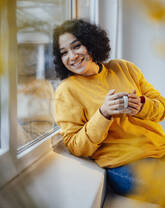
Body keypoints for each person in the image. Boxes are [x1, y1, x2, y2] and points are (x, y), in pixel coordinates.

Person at [53, 19, 165, 197]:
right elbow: (76, 146)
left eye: (76, 46)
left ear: (91, 43)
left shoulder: (124, 68)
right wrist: (103, 114)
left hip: (160, 150)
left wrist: (142, 106)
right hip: (125, 163)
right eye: (64, 52)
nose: (72, 56)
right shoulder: (66, 91)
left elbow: (161, 108)